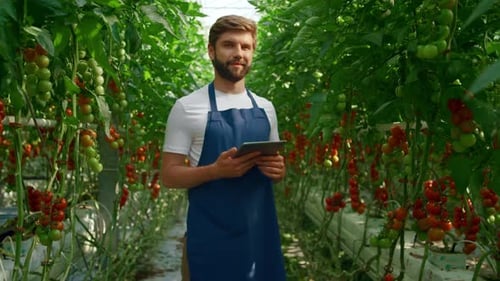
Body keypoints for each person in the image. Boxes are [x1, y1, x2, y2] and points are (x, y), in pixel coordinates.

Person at [161, 15, 287, 281]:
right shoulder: (187, 107)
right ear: (211, 51)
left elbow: (274, 167)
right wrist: (215, 171)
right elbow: (169, 175)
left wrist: (278, 170)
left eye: (246, 46)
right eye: (229, 45)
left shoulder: (266, 108)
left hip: (260, 237)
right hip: (210, 237)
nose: (238, 53)